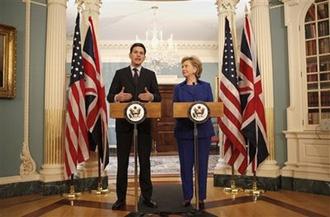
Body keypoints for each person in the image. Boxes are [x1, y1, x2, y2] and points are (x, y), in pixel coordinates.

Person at [107, 43, 161, 210]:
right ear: (130, 55)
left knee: (145, 162)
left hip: (144, 125)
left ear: (144, 57)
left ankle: (146, 198)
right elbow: (110, 96)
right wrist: (118, 96)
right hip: (124, 125)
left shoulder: (150, 74)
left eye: (141, 53)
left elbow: (158, 96)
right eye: (135, 52)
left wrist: (151, 95)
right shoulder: (120, 74)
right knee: (122, 162)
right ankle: (120, 199)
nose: (138, 55)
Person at [173, 56, 215, 210]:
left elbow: (210, 108)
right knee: (186, 166)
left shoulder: (206, 86)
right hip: (184, 132)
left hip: (203, 132)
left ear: (195, 69)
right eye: (182, 66)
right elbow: (176, 109)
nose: (183, 68)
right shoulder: (178, 88)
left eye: (186, 66)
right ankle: (187, 196)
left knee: (202, 166)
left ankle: (201, 196)